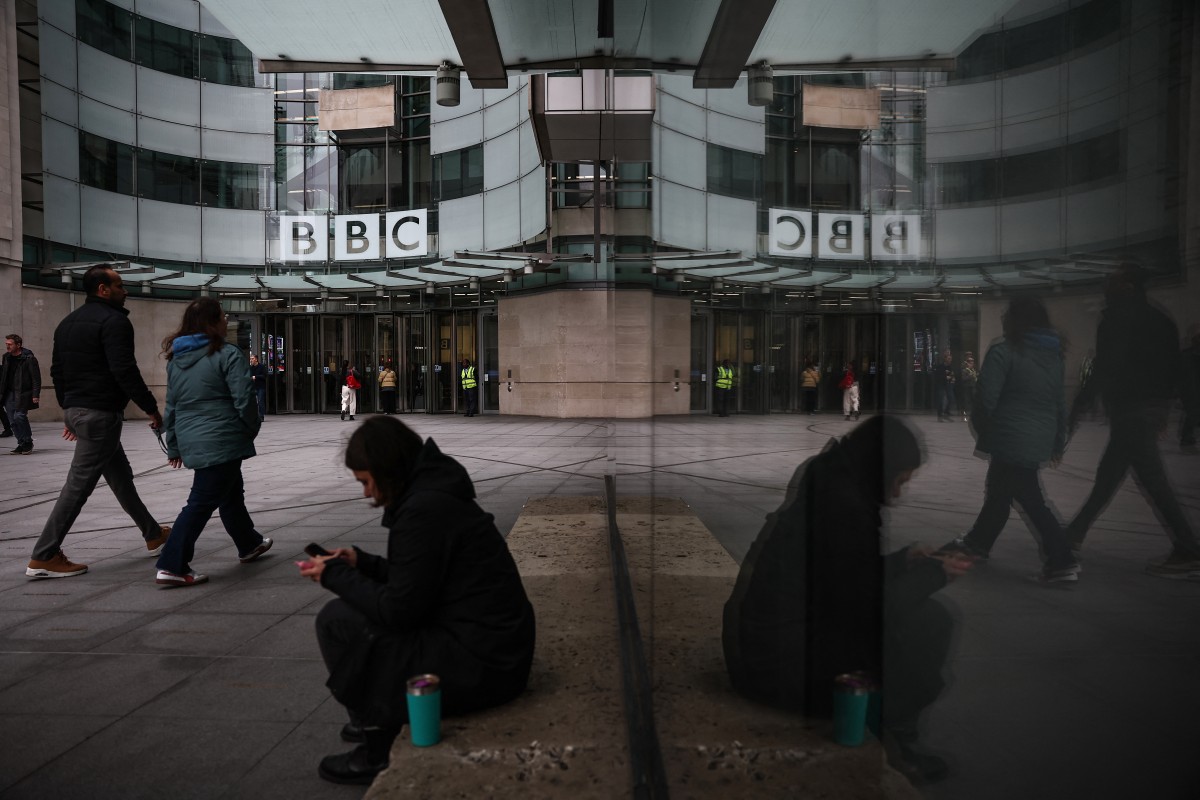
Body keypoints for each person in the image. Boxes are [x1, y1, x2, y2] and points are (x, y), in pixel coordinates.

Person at [722, 415, 971, 784]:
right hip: (775, 667)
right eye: (900, 481)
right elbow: (869, 610)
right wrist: (936, 574)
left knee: (921, 619)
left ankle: (893, 732)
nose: (899, 494)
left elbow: (843, 580)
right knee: (926, 623)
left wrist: (903, 561)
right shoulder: (845, 507)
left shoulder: (833, 479)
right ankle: (893, 742)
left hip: (764, 647)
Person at [299, 416, 535, 784]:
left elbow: (400, 611)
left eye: (365, 481)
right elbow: (422, 578)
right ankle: (369, 720)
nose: (365, 493)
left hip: (486, 663)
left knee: (341, 620)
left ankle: (379, 743)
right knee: (351, 615)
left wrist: (333, 575)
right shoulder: (432, 492)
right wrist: (363, 563)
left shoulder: (423, 509)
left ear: (385, 471)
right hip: (495, 647)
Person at [27, 266, 170, 578]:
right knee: (78, 486)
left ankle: (152, 533)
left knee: (120, 476)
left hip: (81, 410)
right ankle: (44, 554)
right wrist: (151, 408)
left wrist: (70, 410)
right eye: (120, 285)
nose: (126, 290)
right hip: (100, 414)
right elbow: (124, 369)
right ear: (103, 289)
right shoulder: (115, 321)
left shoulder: (66, 323)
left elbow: (57, 371)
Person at [1065, 264, 1200, 577]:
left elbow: (1106, 365)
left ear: (1127, 286)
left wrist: (1080, 405)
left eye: (1112, 280)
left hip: (1132, 409)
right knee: (1108, 475)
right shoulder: (1162, 318)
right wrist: (1168, 409)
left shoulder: (1116, 318)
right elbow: (1176, 368)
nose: (1105, 285)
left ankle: (1189, 548)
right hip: (1151, 408)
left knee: (1153, 481)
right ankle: (1073, 534)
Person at [939, 298, 1079, 584]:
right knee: (1000, 492)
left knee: (1031, 498)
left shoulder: (1004, 350)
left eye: (1007, 316)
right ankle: (978, 542)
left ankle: (1063, 560)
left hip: (1010, 437)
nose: (1003, 320)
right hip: (1038, 436)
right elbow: (1058, 403)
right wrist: (1056, 442)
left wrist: (985, 432)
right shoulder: (1053, 356)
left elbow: (986, 398)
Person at [155, 298, 272, 586]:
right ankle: (172, 564)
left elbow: (172, 406)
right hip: (223, 435)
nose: (226, 321)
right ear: (212, 322)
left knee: (230, 491)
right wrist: (250, 428)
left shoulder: (176, 359)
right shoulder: (228, 353)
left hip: (193, 436)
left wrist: (174, 445)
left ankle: (249, 543)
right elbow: (244, 399)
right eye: (222, 316)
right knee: (201, 501)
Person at [2, 334, 41, 455]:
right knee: (12, 421)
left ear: (18, 345)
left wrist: (36, 394)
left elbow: (36, 378)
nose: (7, 346)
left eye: (10, 344)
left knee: (19, 416)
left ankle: (28, 441)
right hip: (9, 393)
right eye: (6, 344)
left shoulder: (29, 358)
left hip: (23, 393)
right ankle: (21, 443)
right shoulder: (6, 357)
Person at [1180, 325, 1200, 448]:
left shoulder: (1187, 354)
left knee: (1193, 413)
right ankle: (1187, 439)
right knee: (1193, 412)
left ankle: (1187, 438)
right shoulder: (1187, 354)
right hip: (1191, 388)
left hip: (1191, 387)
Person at [933, 349, 957, 421]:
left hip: (948, 384)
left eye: (951, 359)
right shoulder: (940, 366)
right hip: (940, 384)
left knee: (951, 398)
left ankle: (946, 413)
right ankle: (940, 415)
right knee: (940, 399)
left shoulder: (950, 367)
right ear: (945, 359)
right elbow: (937, 376)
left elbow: (951, 374)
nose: (950, 360)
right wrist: (945, 377)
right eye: (949, 359)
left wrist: (952, 378)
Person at [957, 352, 977, 423]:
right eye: (971, 362)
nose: (972, 363)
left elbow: (975, 377)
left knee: (973, 400)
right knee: (966, 401)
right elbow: (963, 378)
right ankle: (964, 415)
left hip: (973, 386)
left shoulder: (973, 370)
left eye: (973, 362)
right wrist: (970, 376)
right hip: (966, 387)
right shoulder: (965, 369)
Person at [249, 353, 267, 422]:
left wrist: (255, 377)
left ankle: (261, 416)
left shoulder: (261, 367)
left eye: (252, 359)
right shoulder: (251, 368)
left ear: (256, 359)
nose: (251, 360)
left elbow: (265, 375)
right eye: (250, 359)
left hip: (261, 387)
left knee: (260, 401)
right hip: (253, 386)